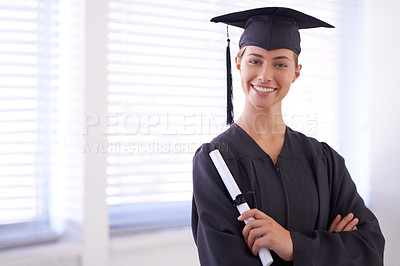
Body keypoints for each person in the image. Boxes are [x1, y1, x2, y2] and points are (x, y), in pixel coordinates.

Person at [191, 7, 385, 266]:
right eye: (255, 60)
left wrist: (291, 244)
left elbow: (369, 249)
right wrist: (327, 248)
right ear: (238, 62)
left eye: (280, 63)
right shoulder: (214, 161)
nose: (265, 75)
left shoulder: (324, 161)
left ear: (296, 71)